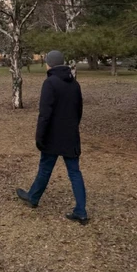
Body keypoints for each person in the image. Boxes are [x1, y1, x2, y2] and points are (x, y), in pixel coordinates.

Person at [17, 50, 88, 224]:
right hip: (70, 135)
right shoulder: (74, 84)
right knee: (74, 172)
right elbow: (79, 111)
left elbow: (45, 114)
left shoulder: (50, 83)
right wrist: (72, 127)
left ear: (50, 64)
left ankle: (33, 198)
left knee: (45, 168)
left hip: (52, 135)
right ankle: (80, 211)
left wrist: (39, 136)